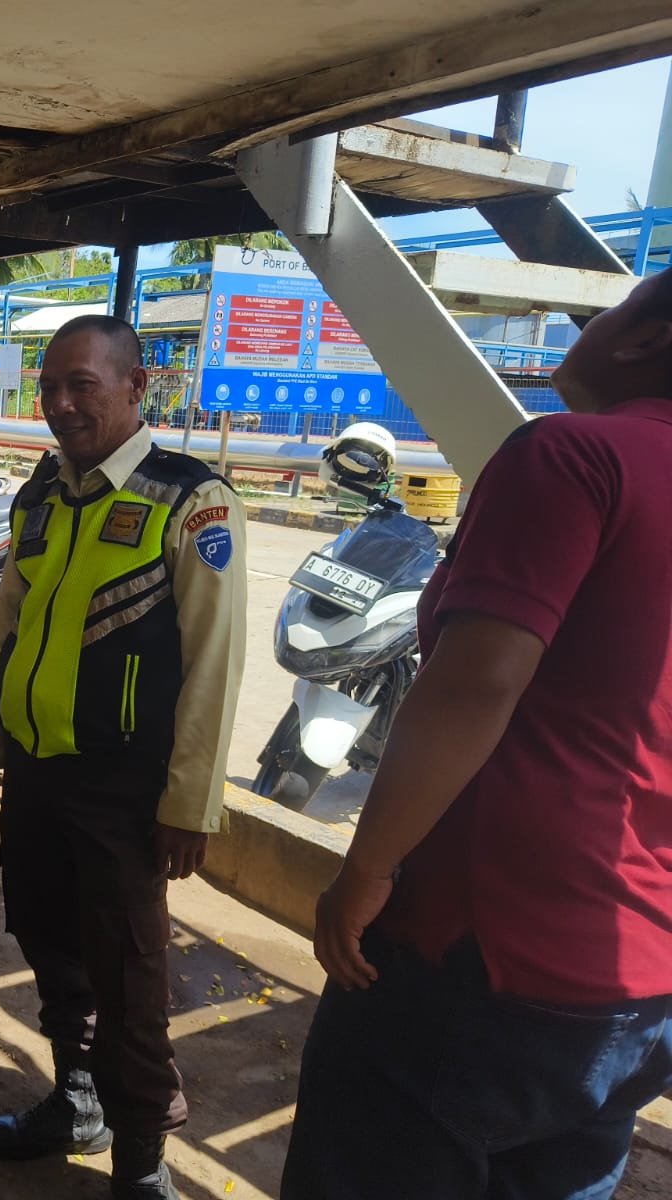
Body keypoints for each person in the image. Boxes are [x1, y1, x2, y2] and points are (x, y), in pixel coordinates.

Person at [281, 269, 672, 1199]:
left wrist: (366, 871)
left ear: (643, 339)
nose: (586, 327)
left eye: (611, 311)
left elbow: (474, 684)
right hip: (639, 985)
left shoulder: (573, 454)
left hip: (482, 952)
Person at [0, 315, 248, 1199]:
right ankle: (76, 1103)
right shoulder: (41, 496)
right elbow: (9, 632)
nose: (59, 403)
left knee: (129, 980)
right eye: (49, 386)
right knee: (50, 944)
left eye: (80, 384)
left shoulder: (190, 500)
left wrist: (190, 804)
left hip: (124, 792)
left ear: (135, 387)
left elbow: (214, 664)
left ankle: (141, 1166)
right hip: (37, 776)